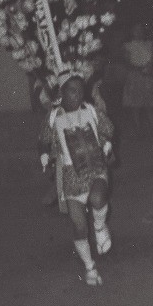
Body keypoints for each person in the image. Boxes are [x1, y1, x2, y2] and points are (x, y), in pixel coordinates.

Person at [41, 74, 115, 286]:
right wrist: (44, 155)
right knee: (79, 225)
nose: (78, 95)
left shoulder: (90, 110)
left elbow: (107, 130)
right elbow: (44, 140)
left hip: (95, 166)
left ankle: (99, 227)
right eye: (72, 91)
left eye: (80, 90)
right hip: (71, 174)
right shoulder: (54, 117)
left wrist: (107, 144)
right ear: (62, 92)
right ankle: (90, 267)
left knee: (98, 197)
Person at [122, 23, 153, 139]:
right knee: (135, 106)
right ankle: (138, 131)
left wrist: (149, 68)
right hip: (134, 76)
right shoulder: (128, 46)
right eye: (136, 30)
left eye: (141, 30)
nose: (138, 32)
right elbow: (127, 63)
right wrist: (138, 69)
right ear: (131, 32)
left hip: (147, 76)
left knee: (150, 105)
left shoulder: (149, 44)